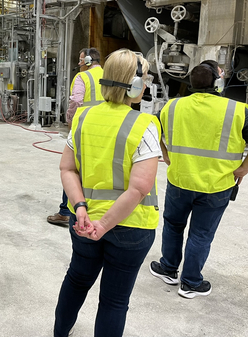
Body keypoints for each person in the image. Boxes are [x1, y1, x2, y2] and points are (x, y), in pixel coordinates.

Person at [54, 49, 160, 337]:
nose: (147, 84)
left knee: (76, 281)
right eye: (145, 78)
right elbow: (140, 188)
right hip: (131, 227)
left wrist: (80, 208)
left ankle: (60, 333)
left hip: (84, 224)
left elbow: (67, 169)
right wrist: (104, 225)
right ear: (136, 85)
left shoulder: (84, 117)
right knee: (114, 301)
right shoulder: (144, 124)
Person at [149, 61, 248, 299]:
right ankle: (191, 282)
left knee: (173, 225)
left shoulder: (172, 106)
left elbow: (152, 129)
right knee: (201, 234)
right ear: (218, 82)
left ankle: (169, 269)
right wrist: (244, 169)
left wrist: (164, 152)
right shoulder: (236, 109)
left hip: (179, 180)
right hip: (217, 186)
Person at [47, 47, 104, 226]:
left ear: (87, 61)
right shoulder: (108, 74)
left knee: (71, 168)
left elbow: (77, 100)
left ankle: (66, 210)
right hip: (105, 127)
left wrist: (70, 118)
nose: (78, 63)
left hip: (84, 127)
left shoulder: (83, 77)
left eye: (81, 60)